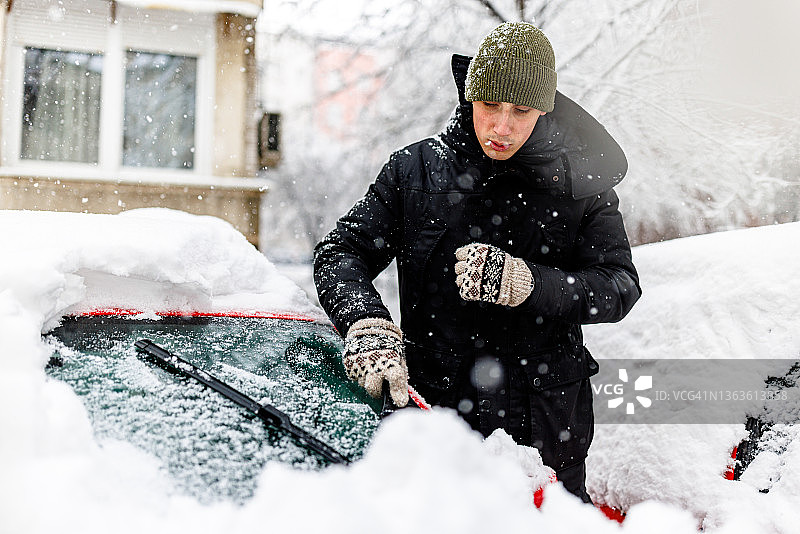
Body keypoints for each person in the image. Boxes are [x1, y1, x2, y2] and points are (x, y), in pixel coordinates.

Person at [313, 21, 641, 502]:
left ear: (544, 108)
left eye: (521, 110)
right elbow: (341, 252)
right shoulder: (415, 172)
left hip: (547, 431)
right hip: (438, 425)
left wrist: (530, 284)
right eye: (490, 105)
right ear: (470, 97)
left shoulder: (582, 185)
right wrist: (365, 322)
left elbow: (619, 286)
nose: (501, 127)